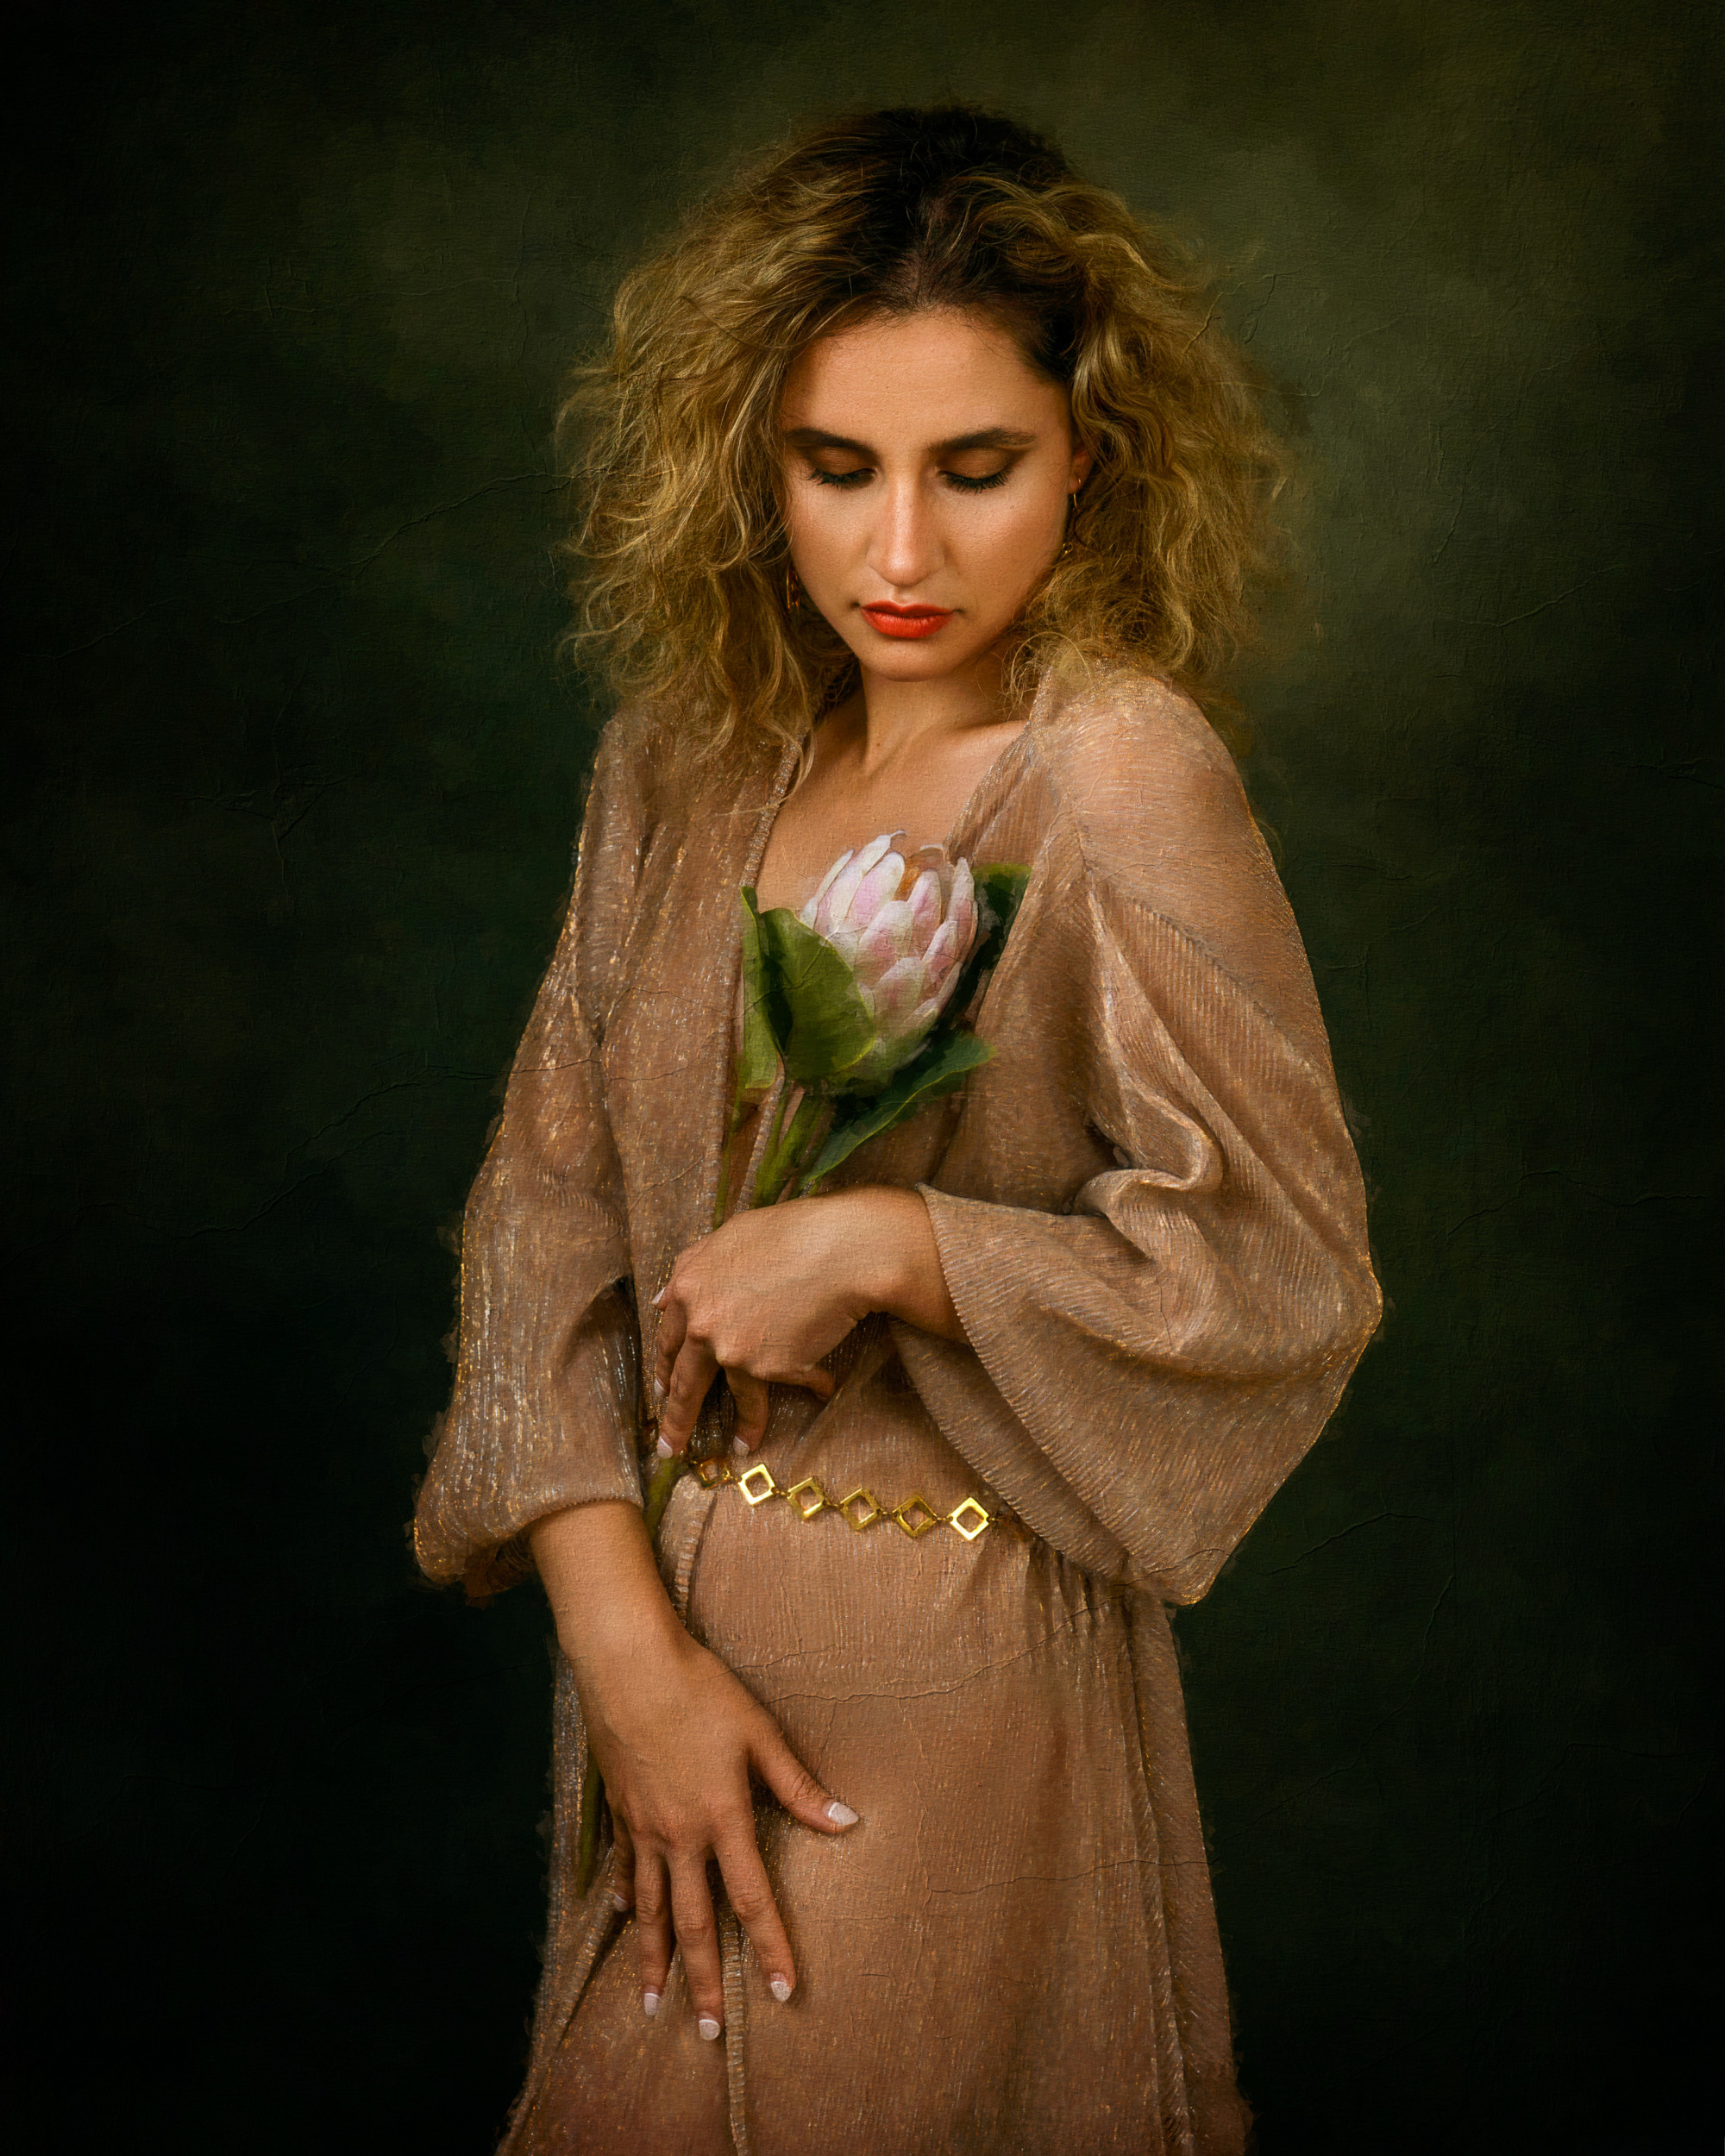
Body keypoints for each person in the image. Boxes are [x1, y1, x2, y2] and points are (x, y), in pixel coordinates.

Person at [413, 104, 1381, 2156]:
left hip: (948, 1688)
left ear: (1089, 459)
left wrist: (894, 1243)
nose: (901, 554)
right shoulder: (681, 761)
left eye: (976, 466)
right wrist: (625, 1652)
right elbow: (541, 1217)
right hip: (660, 1672)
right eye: (835, 467)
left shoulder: (1118, 773)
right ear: (748, 459)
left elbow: (1286, 1267)